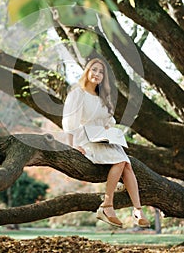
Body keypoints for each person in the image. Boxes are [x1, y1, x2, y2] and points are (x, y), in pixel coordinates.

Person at [62, 58, 150, 228]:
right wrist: (72, 147)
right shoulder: (77, 94)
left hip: (104, 138)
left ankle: (137, 210)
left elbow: (108, 121)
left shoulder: (103, 96)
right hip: (86, 138)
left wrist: (110, 131)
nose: (97, 74)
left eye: (101, 72)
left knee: (127, 165)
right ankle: (107, 205)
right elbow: (69, 123)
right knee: (121, 161)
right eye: (94, 69)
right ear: (87, 71)